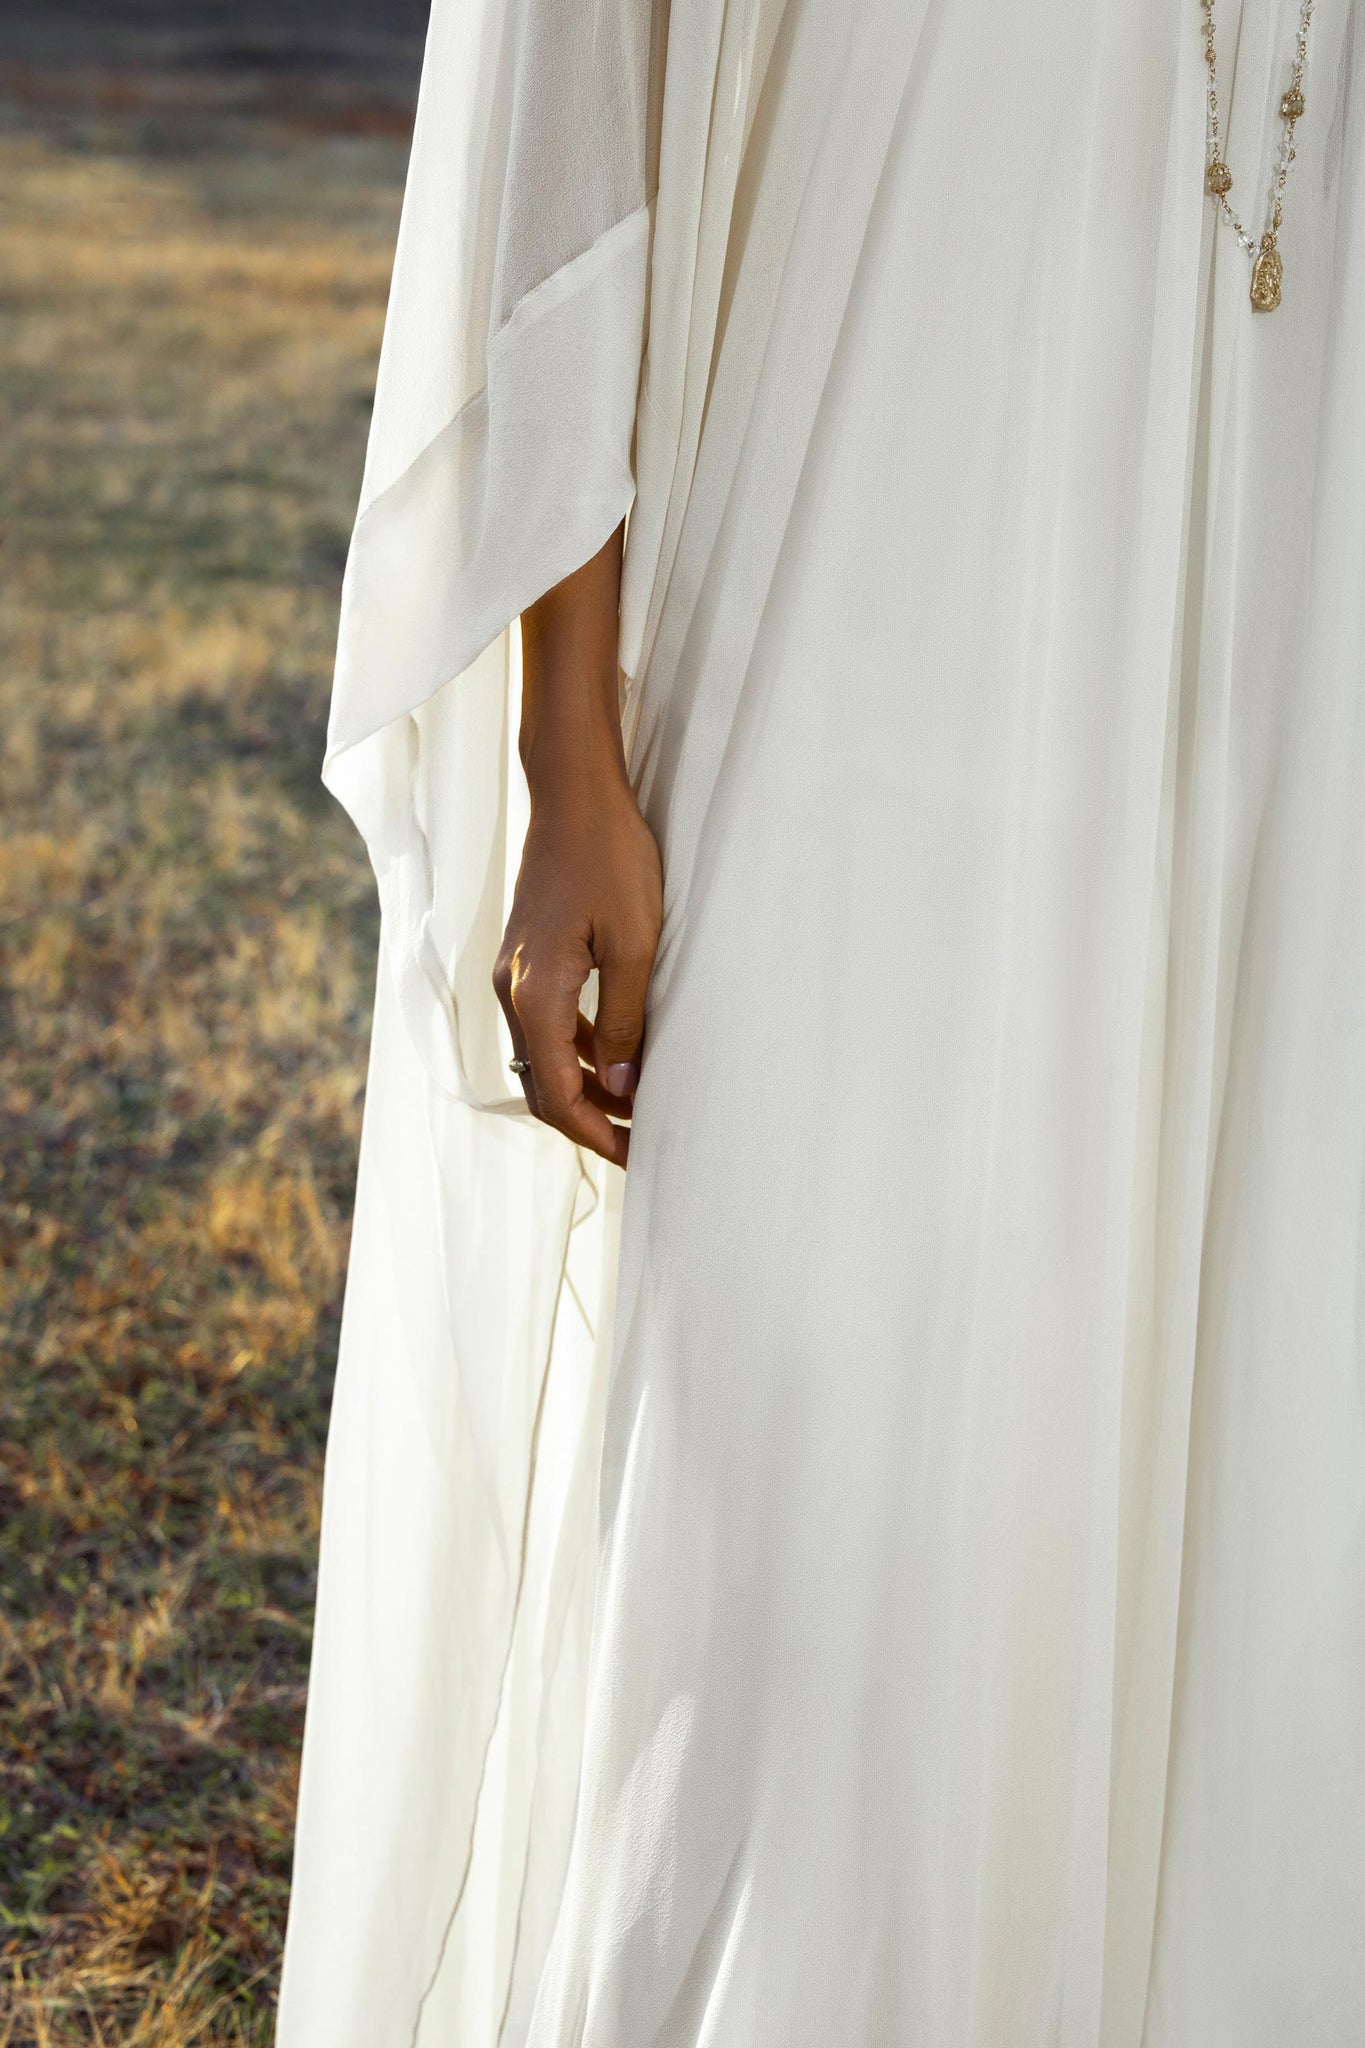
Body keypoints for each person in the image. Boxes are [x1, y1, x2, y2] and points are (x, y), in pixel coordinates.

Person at [276, 2, 1365, 2043]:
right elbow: (569, 83)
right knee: (806, 1517)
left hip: (1268, 648)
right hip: (864, 600)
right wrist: (563, 749)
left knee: (1215, 1517)